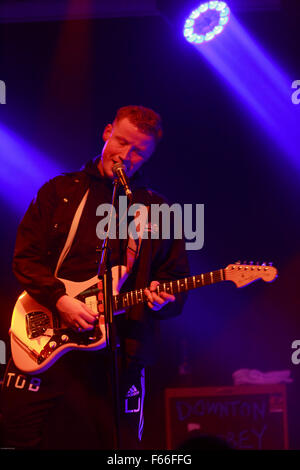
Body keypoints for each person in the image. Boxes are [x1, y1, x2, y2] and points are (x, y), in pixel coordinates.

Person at [0, 105, 190, 450]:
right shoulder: (58, 191)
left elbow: (175, 279)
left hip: (119, 353)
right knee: (17, 433)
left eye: (139, 152)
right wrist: (61, 300)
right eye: (121, 142)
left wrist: (165, 299)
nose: (126, 155)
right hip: (45, 332)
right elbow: (25, 259)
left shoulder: (157, 210)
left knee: (119, 445)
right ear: (107, 133)